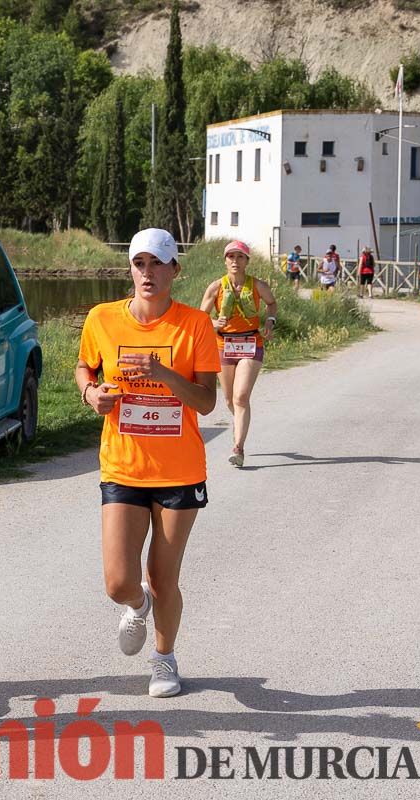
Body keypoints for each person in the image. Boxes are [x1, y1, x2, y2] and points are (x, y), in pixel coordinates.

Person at [75, 228, 219, 698]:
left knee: (163, 576)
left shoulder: (194, 324)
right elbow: (85, 368)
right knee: (120, 581)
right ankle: (135, 607)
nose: (147, 273)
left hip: (179, 471)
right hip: (123, 466)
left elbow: (206, 401)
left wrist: (163, 374)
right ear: (130, 270)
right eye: (139, 264)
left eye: (157, 264)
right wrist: (90, 392)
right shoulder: (102, 318)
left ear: (175, 270)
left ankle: (164, 658)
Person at [199, 240, 278, 468]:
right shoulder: (216, 287)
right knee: (229, 399)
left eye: (240, 257)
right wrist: (215, 322)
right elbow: (201, 317)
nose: (235, 261)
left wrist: (270, 321)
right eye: (231, 257)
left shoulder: (257, 285)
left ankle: (238, 448)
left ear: (247, 261)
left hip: (251, 343)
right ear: (225, 260)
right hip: (223, 345)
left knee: (240, 397)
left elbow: (272, 304)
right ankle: (241, 420)